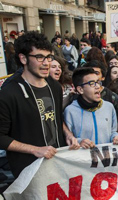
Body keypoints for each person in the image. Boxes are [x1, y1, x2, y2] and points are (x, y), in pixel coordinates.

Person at [0, 31, 79, 177]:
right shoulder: (8, 93)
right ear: (23, 59)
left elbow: (56, 117)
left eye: (48, 57)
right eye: (39, 57)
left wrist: (67, 134)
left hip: (57, 164)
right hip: (29, 171)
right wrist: (35, 149)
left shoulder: (54, 86)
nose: (46, 63)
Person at [64, 68, 118, 149]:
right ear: (80, 89)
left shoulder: (109, 107)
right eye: (92, 83)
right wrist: (80, 141)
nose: (98, 86)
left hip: (106, 159)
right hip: (84, 160)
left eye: (98, 82)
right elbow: (69, 139)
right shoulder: (70, 111)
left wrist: (116, 137)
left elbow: (113, 131)